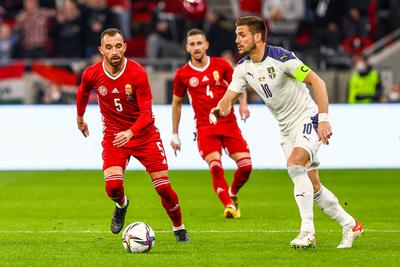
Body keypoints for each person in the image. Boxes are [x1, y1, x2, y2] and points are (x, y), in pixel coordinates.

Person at [210, 16, 364, 248]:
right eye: (236, 34)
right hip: (285, 129)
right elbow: (227, 99)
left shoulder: (281, 58)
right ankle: (350, 225)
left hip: (307, 119)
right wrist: (218, 111)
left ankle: (307, 233)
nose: (237, 40)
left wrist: (323, 120)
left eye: (242, 34)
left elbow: (318, 82)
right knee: (313, 187)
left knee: (294, 165)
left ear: (258, 36)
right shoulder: (243, 68)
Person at [76, 28, 190, 242]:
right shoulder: (92, 73)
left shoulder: (137, 72)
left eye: (118, 46)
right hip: (114, 136)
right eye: (109, 47)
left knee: (164, 187)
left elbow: (147, 114)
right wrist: (80, 118)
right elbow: (82, 91)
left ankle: (179, 228)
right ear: (101, 50)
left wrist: (131, 132)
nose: (114, 51)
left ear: (125, 47)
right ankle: (122, 204)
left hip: (144, 135)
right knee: (113, 186)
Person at [171, 28, 252, 219]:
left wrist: (243, 104)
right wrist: (175, 134)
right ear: (187, 47)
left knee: (246, 166)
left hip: (229, 124)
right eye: (192, 44)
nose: (197, 47)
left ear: (206, 45)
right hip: (205, 126)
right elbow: (176, 104)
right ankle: (229, 206)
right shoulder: (182, 75)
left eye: (200, 43)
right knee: (215, 166)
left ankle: (232, 192)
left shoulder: (221, 65)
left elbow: (238, 86)